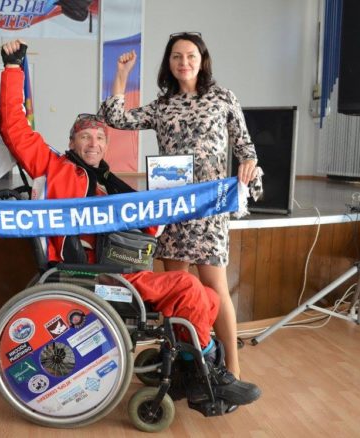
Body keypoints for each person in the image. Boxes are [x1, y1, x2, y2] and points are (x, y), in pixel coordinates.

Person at [0, 40, 260, 408]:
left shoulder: (110, 181)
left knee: (209, 297)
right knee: (189, 288)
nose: (93, 143)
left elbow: (143, 224)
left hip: (124, 265)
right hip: (94, 272)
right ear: (70, 141)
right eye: (85, 136)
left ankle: (192, 370)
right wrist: (13, 69)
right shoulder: (55, 167)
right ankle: (205, 379)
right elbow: (14, 128)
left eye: (99, 137)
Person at [101, 33, 260, 378]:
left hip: (209, 207)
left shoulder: (223, 98)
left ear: (202, 61)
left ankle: (232, 369)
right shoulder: (162, 106)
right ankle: (184, 366)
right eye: (176, 56)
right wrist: (122, 76)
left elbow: (245, 147)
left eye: (190, 56)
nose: (183, 62)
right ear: (169, 63)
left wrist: (249, 164)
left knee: (215, 287)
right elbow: (115, 118)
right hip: (173, 208)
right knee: (177, 290)